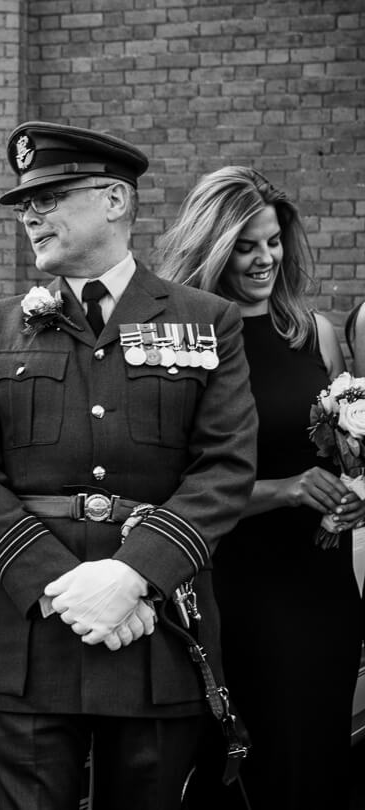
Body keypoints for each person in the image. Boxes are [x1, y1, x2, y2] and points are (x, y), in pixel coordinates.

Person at [0, 122, 259, 810]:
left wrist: (129, 576)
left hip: (154, 632)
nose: (31, 213)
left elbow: (225, 468)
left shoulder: (207, 321)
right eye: (25, 202)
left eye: (51, 195)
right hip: (33, 633)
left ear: (115, 200)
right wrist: (63, 585)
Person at [158, 165, 364, 810]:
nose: (264, 258)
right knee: (247, 769)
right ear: (213, 247)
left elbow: (337, 454)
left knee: (318, 757)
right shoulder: (180, 344)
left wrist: (353, 493)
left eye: (272, 241)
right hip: (231, 588)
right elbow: (171, 488)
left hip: (320, 585)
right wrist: (284, 491)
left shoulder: (314, 335)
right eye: (246, 245)